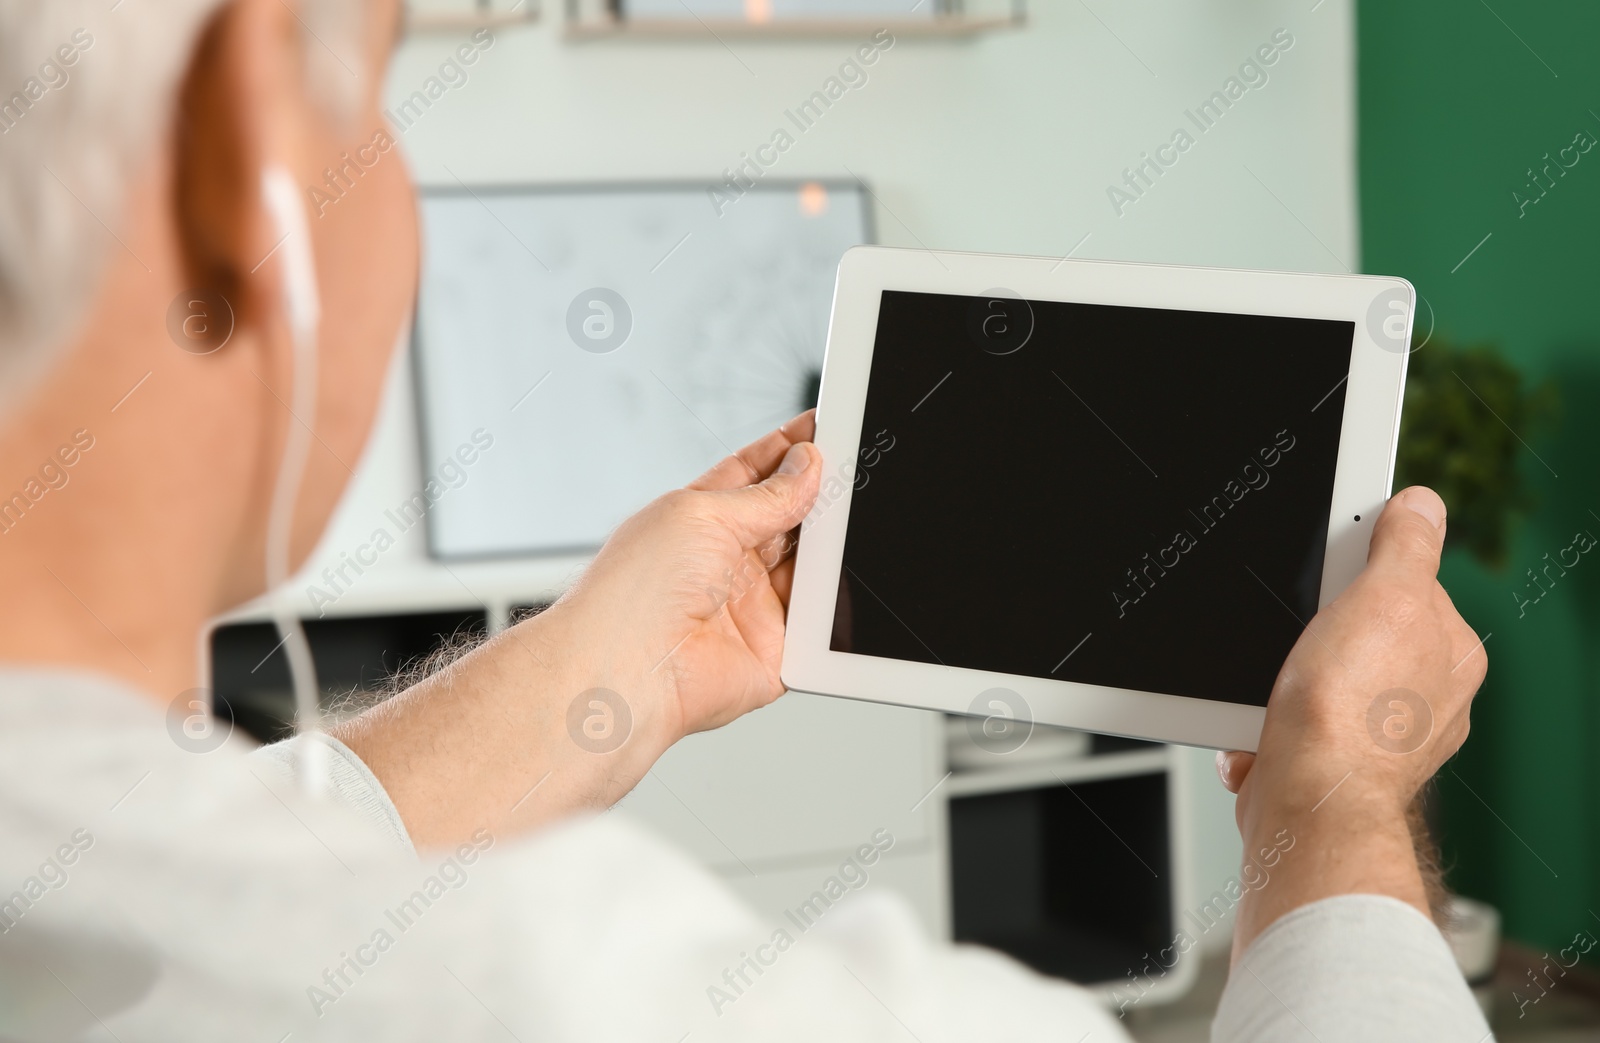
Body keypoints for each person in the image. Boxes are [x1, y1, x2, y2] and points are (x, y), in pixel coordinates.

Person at [0, 1, 1493, 1039]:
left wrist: (602, 668)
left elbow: (228, 858)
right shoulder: (571, 997)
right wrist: (1337, 804)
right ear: (247, 132)